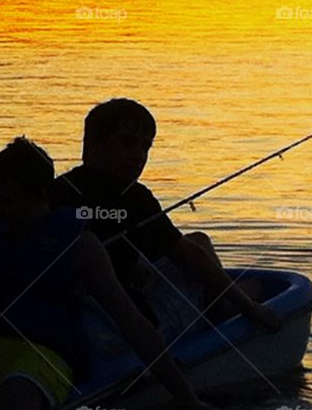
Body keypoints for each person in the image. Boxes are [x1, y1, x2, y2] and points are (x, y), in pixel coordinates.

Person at [0, 137, 220, 410]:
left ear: (40, 194)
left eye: (7, 200)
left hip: (39, 349)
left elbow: (130, 320)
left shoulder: (81, 247)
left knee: (16, 401)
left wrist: (186, 398)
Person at [50, 98, 282, 342]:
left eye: (145, 146)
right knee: (197, 250)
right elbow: (186, 256)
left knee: (198, 240)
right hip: (135, 323)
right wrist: (250, 308)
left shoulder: (57, 190)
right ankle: (226, 307)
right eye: (128, 143)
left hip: (91, 308)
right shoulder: (134, 198)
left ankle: (226, 298)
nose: (138, 155)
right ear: (93, 145)